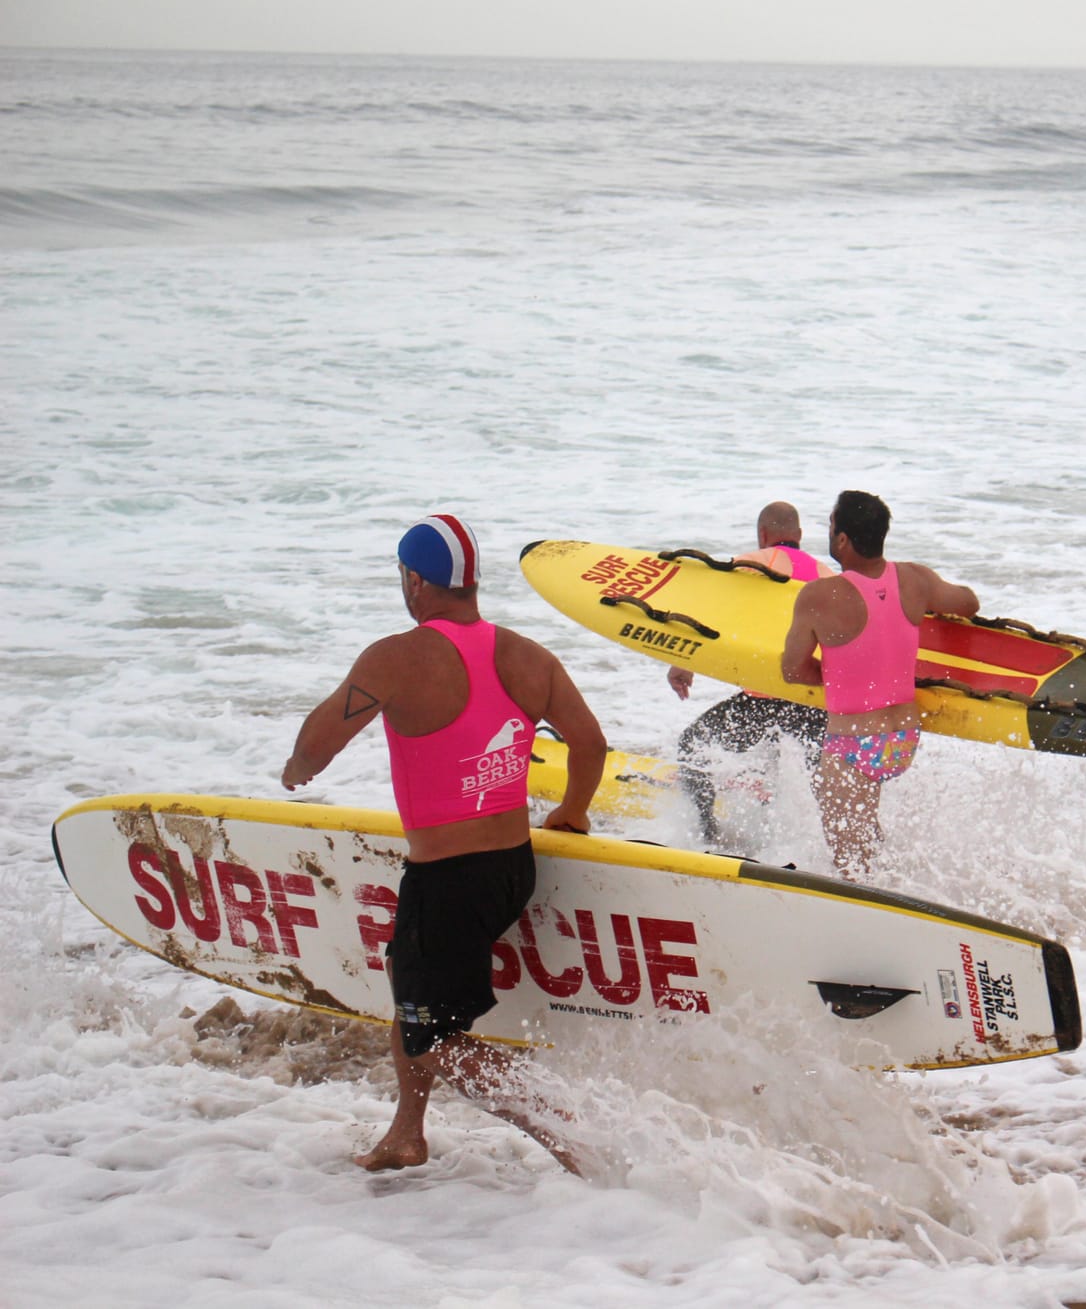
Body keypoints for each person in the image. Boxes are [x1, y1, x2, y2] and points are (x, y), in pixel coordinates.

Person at [281, 514, 607, 1174]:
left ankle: (574, 1138)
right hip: (513, 869)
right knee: (408, 972)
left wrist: (298, 769)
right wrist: (571, 813)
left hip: (448, 880)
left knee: (435, 1041)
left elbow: (319, 743)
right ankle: (407, 1132)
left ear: (415, 580)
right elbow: (590, 742)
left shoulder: (397, 657)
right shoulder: (527, 655)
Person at [780, 491, 978, 876]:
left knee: (850, 864)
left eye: (832, 525)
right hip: (902, 740)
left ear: (842, 539)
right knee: (865, 835)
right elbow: (969, 602)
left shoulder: (819, 595)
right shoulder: (915, 579)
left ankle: (873, 915)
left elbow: (793, 670)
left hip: (852, 742)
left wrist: (842, 675)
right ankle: (898, 883)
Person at [666, 501, 829, 846]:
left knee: (692, 747)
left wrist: (684, 662)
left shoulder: (752, 564)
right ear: (799, 536)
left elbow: (714, 617)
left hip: (762, 703)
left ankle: (707, 836)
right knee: (823, 782)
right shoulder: (829, 576)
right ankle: (819, 844)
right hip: (816, 703)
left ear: (763, 535)